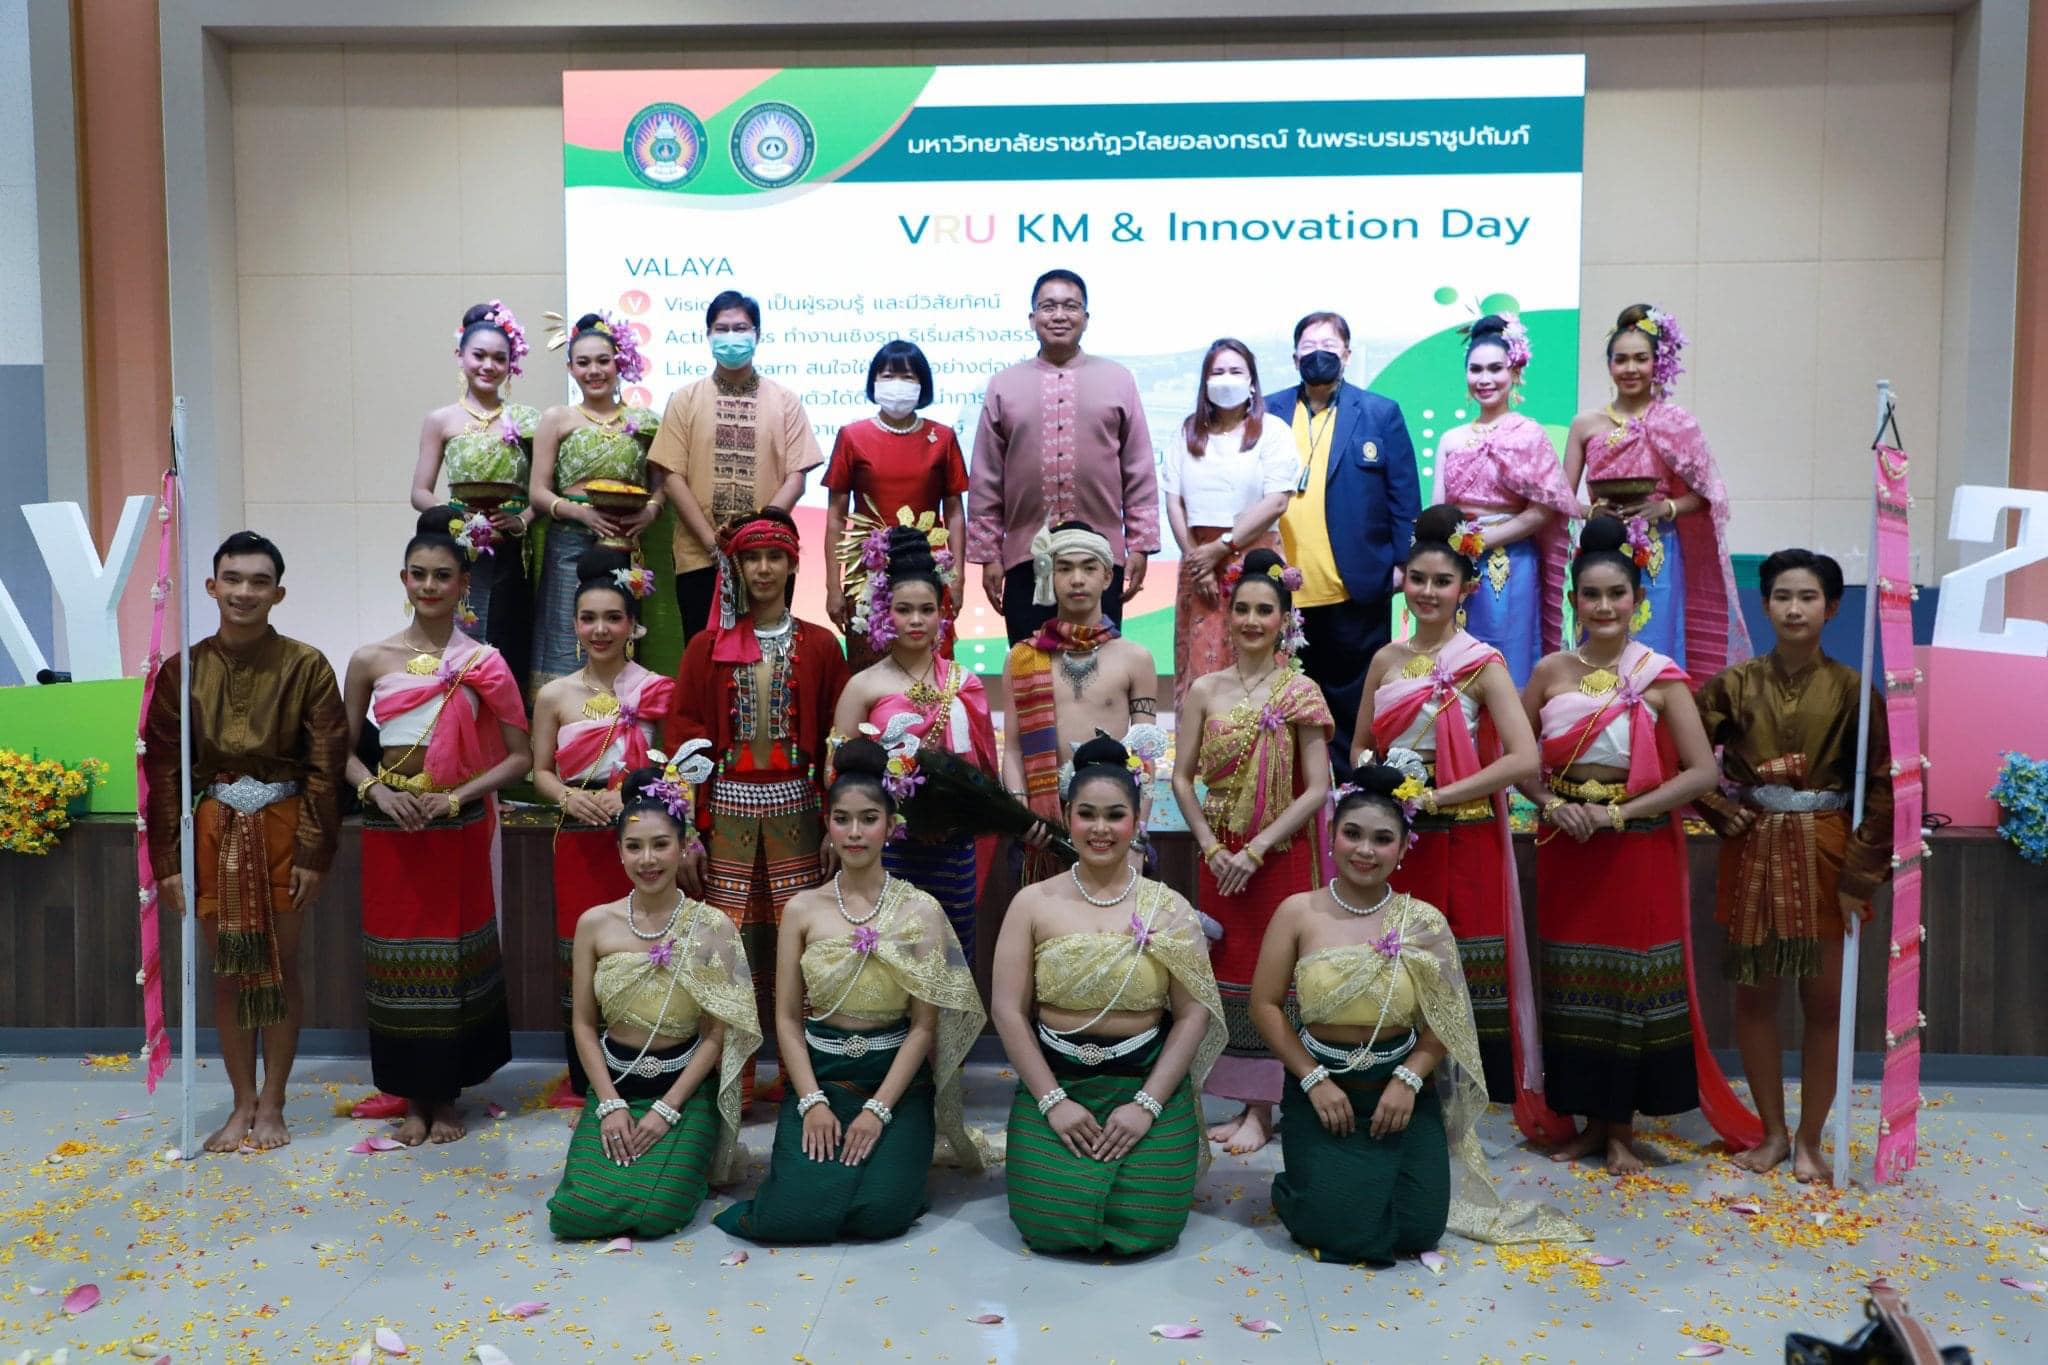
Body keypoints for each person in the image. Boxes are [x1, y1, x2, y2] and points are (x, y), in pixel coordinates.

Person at [1250, 770, 1586, 1263]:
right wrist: (1313, 1079)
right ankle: (1302, 1188)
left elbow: (1446, 1019)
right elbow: (1264, 1005)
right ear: (1331, 835)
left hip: (1399, 1090)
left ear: (1404, 847)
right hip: (1321, 1088)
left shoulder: (1424, 921)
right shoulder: (1297, 912)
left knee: (1419, 1228)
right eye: (1353, 834)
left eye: (1382, 839)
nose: (1365, 850)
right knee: (1341, 1230)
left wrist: (1408, 1079)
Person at [1516, 517, 1761, 1173]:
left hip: (1637, 845)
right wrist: (1553, 805)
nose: (1604, 607)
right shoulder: (1548, 671)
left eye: (1616, 594)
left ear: (1637, 599)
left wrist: (1619, 813)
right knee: (1571, 982)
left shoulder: (1661, 675)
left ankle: (1620, 1128)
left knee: (1630, 985)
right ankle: (1586, 1125)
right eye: (1591, 595)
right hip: (1567, 844)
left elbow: (1700, 773)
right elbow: (1516, 760)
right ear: (1573, 600)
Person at [714, 739, 988, 1243]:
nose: (855, 832)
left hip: (895, 1083)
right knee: (791, 1218)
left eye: (868, 819)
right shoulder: (802, 909)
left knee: (880, 1217)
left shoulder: (920, 910)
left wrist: (878, 1110)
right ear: (828, 825)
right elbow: (787, 1019)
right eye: (842, 820)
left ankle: (898, 1170)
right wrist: (811, 1100)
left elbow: (923, 1026)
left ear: (892, 825)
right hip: (821, 1074)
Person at [1353, 505, 1563, 1141]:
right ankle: (1392, 1091)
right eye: (1417, 579)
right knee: (1396, 961)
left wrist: (1440, 796)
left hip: (1463, 833)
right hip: (1397, 839)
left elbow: (1523, 759)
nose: (1427, 591)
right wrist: (1379, 780)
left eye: (1442, 581)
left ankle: (1457, 1108)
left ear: (1466, 587)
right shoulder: (1385, 660)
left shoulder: (1482, 663)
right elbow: (1360, 745)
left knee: (1460, 965)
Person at [142, 532, 348, 1153]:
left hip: (285, 825)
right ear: (212, 587)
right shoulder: (182, 671)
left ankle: (274, 1102)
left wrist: (313, 850)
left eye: (259, 581)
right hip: (212, 832)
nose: (244, 592)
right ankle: (241, 1103)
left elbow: (326, 767)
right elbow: (163, 771)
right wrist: (169, 862)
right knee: (230, 970)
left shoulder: (307, 666)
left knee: (277, 967)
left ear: (277, 593)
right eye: (232, 579)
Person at [1695, 550, 1892, 1183]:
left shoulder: (1856, 690)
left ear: (1831, 607)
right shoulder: (1731, 685)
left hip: (1827, 853)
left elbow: (1884, 785)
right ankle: (1773, 1134)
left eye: (1808, 597)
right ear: (1765, 605)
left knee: (1825, 1003)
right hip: (1752, 848)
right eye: (1782, 596)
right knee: (1754, 998)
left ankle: (1811, 1139)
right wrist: (1718, 809)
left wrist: (1860, 876)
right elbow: (1680, 751)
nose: (1794, 608)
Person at [991, 734, 1226, 1255]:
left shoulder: (1168, 908)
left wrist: (1146, 1104)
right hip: (1056, 1082)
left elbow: (1192, 1016)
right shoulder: (1031, 903)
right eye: (1087, 814)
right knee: (1046, 1223)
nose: (1100, 829)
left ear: (1138, 819)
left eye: (1115, 815)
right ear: (1067, 816)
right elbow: (1007, 1010)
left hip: (1146, 1083)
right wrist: (1053, 1102)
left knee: (1150, 1224)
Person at [340, 508, 531, 1146]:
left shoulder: (485, 662)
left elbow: (520, 757)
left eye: (442, 576)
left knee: (453, 956)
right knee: (396, 958)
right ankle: (411, 1098)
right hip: (391, 826)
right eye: (418, 574)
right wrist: (375, 791)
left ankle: (446, 1097)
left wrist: (455, 799)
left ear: (463, 584)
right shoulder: (370, 659)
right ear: (403, 579)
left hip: (457, 825)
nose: (429, 585)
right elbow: (341, 751)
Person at [665, 509, 849, 1099]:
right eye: (752, 558)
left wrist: (835, 824)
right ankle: (733, 1084)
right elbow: (685, 738)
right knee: (730, 949)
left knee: (804, 947)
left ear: (793, 565)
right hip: (725, 816)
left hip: (800, 815)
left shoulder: (821, 646)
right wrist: (687, 830)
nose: (764, 568)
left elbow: (837, 740)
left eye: (775, 557)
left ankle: (803, 1085)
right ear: (737, 567)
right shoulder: (706, 647)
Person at [546, 765, 761, 1239]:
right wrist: (608, 1103)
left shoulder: (712, 927)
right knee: (573, 1213)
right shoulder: (594, 924)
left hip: (684, 1090)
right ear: (619, 852)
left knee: (658, 1212)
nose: (648, 860)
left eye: (661, 845)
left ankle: (689, 1154)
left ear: (684, 847)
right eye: (634, 846)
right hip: (615, 1086)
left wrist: (667, 1108)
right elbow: (583, 1025)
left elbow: (717, 1034)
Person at [1170, 548, 1331, 1155]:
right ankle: (1245, 1101)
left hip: (1277, 855)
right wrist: (1211, 847)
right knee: (1229, 973)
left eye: (1266, 611)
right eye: (1242, 609)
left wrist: (1257, 849)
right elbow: (1182, 778)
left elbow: (1317, 789)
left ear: (1285, 621)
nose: (1252, 621)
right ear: (1228, 616)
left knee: (1277, 978)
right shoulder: (1204, 690)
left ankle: (1269, 1107)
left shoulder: (1301, 692)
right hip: (1220, 858)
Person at [529, 545, 681, 1108]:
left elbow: (674, 766)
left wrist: (628, 796)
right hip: (576, 837)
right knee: (583, 953)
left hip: (641, 838)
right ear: (573, 624)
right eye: (588, 618)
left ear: (633, 625)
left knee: (642, 948)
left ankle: (648, 1072)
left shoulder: (656, 689)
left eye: (613, 618)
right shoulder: (554, 694)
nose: (600, 630)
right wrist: (571, 797)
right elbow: (539, 771)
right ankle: (587, 1079)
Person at [832, 526, 999, 958]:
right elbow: (840, 773)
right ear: (884, 613)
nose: (916, 620)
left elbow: (983, 770)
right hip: (886, 848)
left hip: (953, 847)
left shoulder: (963, 682)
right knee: (889, 956)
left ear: (942, 614)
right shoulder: (863, 686)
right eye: (904, 610)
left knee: (951, 956)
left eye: (927, 609)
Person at [967, 268, 1159, 644]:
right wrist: (989, 555)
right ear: (1032, 318)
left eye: (1070, 306)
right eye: (1048, 307)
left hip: (1100, 557)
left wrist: (1140, 545)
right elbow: (987, 475)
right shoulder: (1003, 385)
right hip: (1025, 557)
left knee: (1098, 665)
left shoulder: (1119, 379)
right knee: (1030, 663)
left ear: (1085, 318)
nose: (1059, 315)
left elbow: (1138, 468)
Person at [1264, 310, 1421, 769]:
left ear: (1347, 355)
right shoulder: (1268, 412)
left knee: (1357, 702)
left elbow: (1403, 496)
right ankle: (1298, 791)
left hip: (1356, 582)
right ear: (1294, 356)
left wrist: (1403, 564)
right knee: (1289, 703)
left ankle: (1355, 787)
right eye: (1309, 347)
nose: (1319, 355)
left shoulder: (1379, 413)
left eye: (1329, 346)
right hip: (1282, 586)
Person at [1562, 303, 1750, 677]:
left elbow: (1708, 494)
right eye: (1621, 359)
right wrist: (1592, 512)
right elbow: (1561, 497)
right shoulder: (1585, 423)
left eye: (1640, 359)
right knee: (1597, 641)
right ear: (1609, 365)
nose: (1630, 368)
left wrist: (1666, 508)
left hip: (1659, 549)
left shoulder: (1676, 423)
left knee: (1655, 645)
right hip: (1600, 547)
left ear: (1657, 363)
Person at [646, 290, 823, 640]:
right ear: (708, 335)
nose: (731, 336)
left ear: (757, 334)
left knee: (769, 649)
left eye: (740, 328)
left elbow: (796, 478)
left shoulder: (785, 401)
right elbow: (672, 476)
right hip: (699, 557)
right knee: (705, 650)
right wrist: (714, 544)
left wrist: (755, 538)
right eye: (722, 328)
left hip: (768, 559)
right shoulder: (685, 399)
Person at [998, 521, 1161, 884]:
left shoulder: (1135, 658)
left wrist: (1138, 834)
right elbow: (1013, 749)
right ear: (1049, 576)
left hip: (1114, 822)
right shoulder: (1022, 657)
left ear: (1107, 577)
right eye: (1064, 568)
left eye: (1088, 568)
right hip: (1043, 830)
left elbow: (1145, 752)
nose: (1076, 580)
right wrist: (1023, 817)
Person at [528, 311, 676, 694]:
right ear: (570, 369)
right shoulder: (557, 419)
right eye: (583, 363)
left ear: (618, 363)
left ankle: (624, 718)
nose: (594, 371)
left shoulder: (644, 422)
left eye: (603, 361)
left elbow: (663, 483)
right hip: (568, 544)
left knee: (624, 633)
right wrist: (581, 514)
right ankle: (564, 719)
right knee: (565, 636)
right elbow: (538, 492)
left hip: (626, 544)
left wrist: (652, 510)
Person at [1434, 315, 1582, 687]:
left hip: (1511, 562)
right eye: (1476, 369)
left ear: (1514, 372)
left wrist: (1484, 540)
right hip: (1456, 562)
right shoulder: (1451, 438)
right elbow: (1438, 510)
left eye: (1495, 368)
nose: (1484, 379)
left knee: (1507, 656)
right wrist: (1445, 549)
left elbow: (1544, 510)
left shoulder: (1529, 433)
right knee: (1453, 657)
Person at [1161, 338, 1297, 711]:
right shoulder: (1187, 432)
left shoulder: (1273, 431)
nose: (1226, 379)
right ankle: (1200, 745)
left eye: (1236, 371)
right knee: (1200, 666)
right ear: (1204, 381)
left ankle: (1263, 742)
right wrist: (1198, 560)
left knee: (1259, 660)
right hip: (1198, 563)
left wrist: (1222, 548)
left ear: (1252, 382)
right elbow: (1174, 501)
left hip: (1255, 558)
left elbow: (1277, 500)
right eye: (1217, 371)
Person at [408, 301, 539, 682]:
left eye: (499, 358)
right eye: (479, 355)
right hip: (459, 544)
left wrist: (520, 520)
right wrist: (458, 519)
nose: (488, 366)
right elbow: (420, 492)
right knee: (458, 638)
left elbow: (542, 492)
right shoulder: (441, 419)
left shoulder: (528, 420)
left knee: (508, 638)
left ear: (511, 364)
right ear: (460, 356)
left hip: (511, 547)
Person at [822, 340, 970, 672]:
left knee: (931, 668)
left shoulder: (942, 438)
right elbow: (835, 518)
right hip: (867, 572)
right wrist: (833, 585)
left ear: (923, 384)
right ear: (873, 382)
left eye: (908, 376)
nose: (897, 384)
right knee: (870, 665)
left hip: (929, 568)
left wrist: (958, 579)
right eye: (888, 376)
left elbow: (955, 514)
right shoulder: (852, 436)